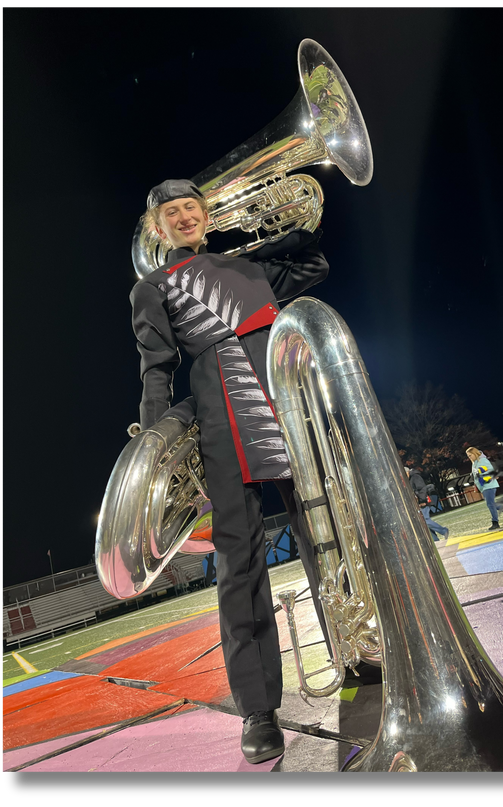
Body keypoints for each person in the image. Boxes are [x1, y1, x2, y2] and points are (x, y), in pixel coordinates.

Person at [130, 178, 331, 764]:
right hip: (218, 411)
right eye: (172, 211)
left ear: (207, 214)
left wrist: (262, 245)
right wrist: (152, 446)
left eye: (192, 206)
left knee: (326, 529)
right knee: (238, 564)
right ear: (157, 228)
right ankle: (258, 708)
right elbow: (156, 372)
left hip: (285, 390)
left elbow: (314, 263)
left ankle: (358, 653)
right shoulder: (152, 287)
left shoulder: (247, 269)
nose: (184, 215)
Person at [466, 446, 503, 531]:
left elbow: (490, 470)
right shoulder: (475, 463)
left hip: (489, 485)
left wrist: (484, 476)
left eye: (470, 455)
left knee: (490, 504)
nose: (469, 457)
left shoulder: (482, 460)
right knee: (492, 504)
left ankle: (495, 522)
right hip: (484, 486)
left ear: (474, 453)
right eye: (468, 456)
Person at [404, 466, 450, 542]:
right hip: (420, 501)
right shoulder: (411, 477)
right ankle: (435, 539)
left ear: (407, 472)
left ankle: (443, 530)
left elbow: (422, 489)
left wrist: (422, 501)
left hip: (423, 501)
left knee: (424, 520)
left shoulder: (415, 477)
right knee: (424, 521)